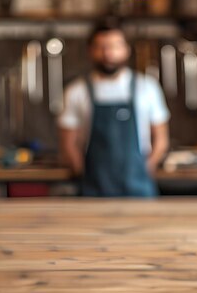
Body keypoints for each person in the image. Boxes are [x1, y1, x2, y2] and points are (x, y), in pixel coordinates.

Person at [58, 21, 170, 197]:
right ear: (90, 51)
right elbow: (68, 144)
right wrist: (82, 172)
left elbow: (161, 139)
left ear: (126, 49)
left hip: (138, 187)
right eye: (101, 47)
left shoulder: (147, 88)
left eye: (114, 46)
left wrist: (145, 167)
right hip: (94, 189)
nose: (108, 53)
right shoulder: (76, 91)